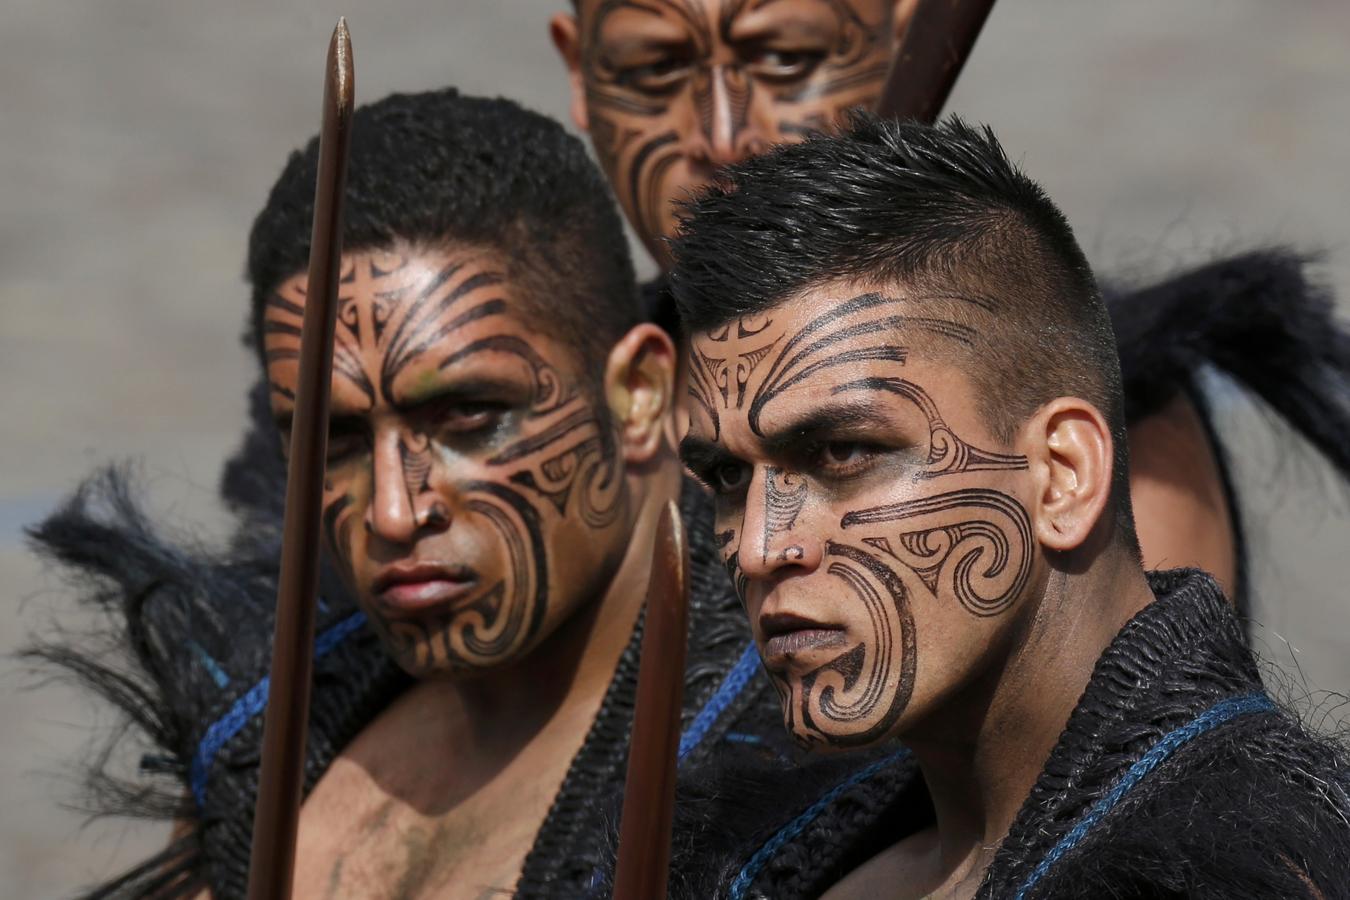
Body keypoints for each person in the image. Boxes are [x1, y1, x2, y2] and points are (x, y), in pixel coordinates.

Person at [28, 88, 783, 899]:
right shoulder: (262, 733)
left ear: (638, 394)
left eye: (467, 416)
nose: (393, 511)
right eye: (335, 439)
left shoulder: (782, 785)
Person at [656, 113, 1350, 898]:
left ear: (1062, 474)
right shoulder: (751, 852)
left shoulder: (1243, 877)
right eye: (727, 478)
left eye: (844, 453)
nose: (756, 546)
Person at [547, 0, 1350, 617]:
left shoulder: (1091, 415)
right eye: (654, 70)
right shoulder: (539, 411)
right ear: (580, 71)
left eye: (784, 58)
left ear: (909, 35)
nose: (721, 135)